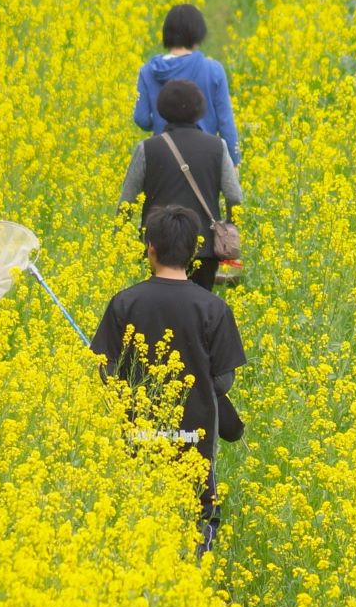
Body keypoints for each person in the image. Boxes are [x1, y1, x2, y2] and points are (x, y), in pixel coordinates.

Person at [90, 205, 246, 555]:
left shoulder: (124, 303)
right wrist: (194, 392)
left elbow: (106, 370)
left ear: (150, 248)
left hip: (137, 434)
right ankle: (194, 575)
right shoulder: (213, 308)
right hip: (196, 436)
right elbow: (224, 378)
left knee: (138, 508)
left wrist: (139, 391)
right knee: (197, 511)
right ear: (193, 254)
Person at [121, 79, 242, 290]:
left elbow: (127, 200)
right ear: (200, 110)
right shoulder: (217, 147)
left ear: (162, 110)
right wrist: (230, 224)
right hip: (202, 247)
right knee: (200, 312)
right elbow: (234, 196)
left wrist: (118, 238)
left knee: (158, 313)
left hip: (158, 246)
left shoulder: (147, 148)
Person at [133, 3, 242, 167]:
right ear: (198, 33)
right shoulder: (213, 70)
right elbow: (225, 122)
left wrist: (158, 120)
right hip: (204, 161)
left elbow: (141, 119)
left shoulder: (148, 71)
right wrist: (233, 163)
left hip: (164, 159)